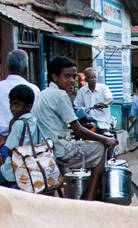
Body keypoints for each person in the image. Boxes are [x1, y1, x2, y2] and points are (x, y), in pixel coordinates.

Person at [32, 56, 117, 199]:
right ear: (55, 77)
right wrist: (105, 140)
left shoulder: (43, 94)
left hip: (44, 148)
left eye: (73, 76)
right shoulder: (60, 95)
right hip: (58, 150)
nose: (72, 80)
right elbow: (77, 129)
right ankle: (89, 199)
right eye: (67, 76)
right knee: (99, 148)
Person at [0, 50, 37, 159]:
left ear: (8, 67)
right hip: (27, 146)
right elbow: (36, 120)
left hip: (3, 145)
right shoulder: (33, 89)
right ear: (26, 68)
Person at [0, 84, 37, 188]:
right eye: (11, 104)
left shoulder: (18, 124)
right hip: (33, 164)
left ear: (28, 106)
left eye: (17, 105)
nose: (12, 108)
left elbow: (10, 151)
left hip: (16, 168)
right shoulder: (35, 121)